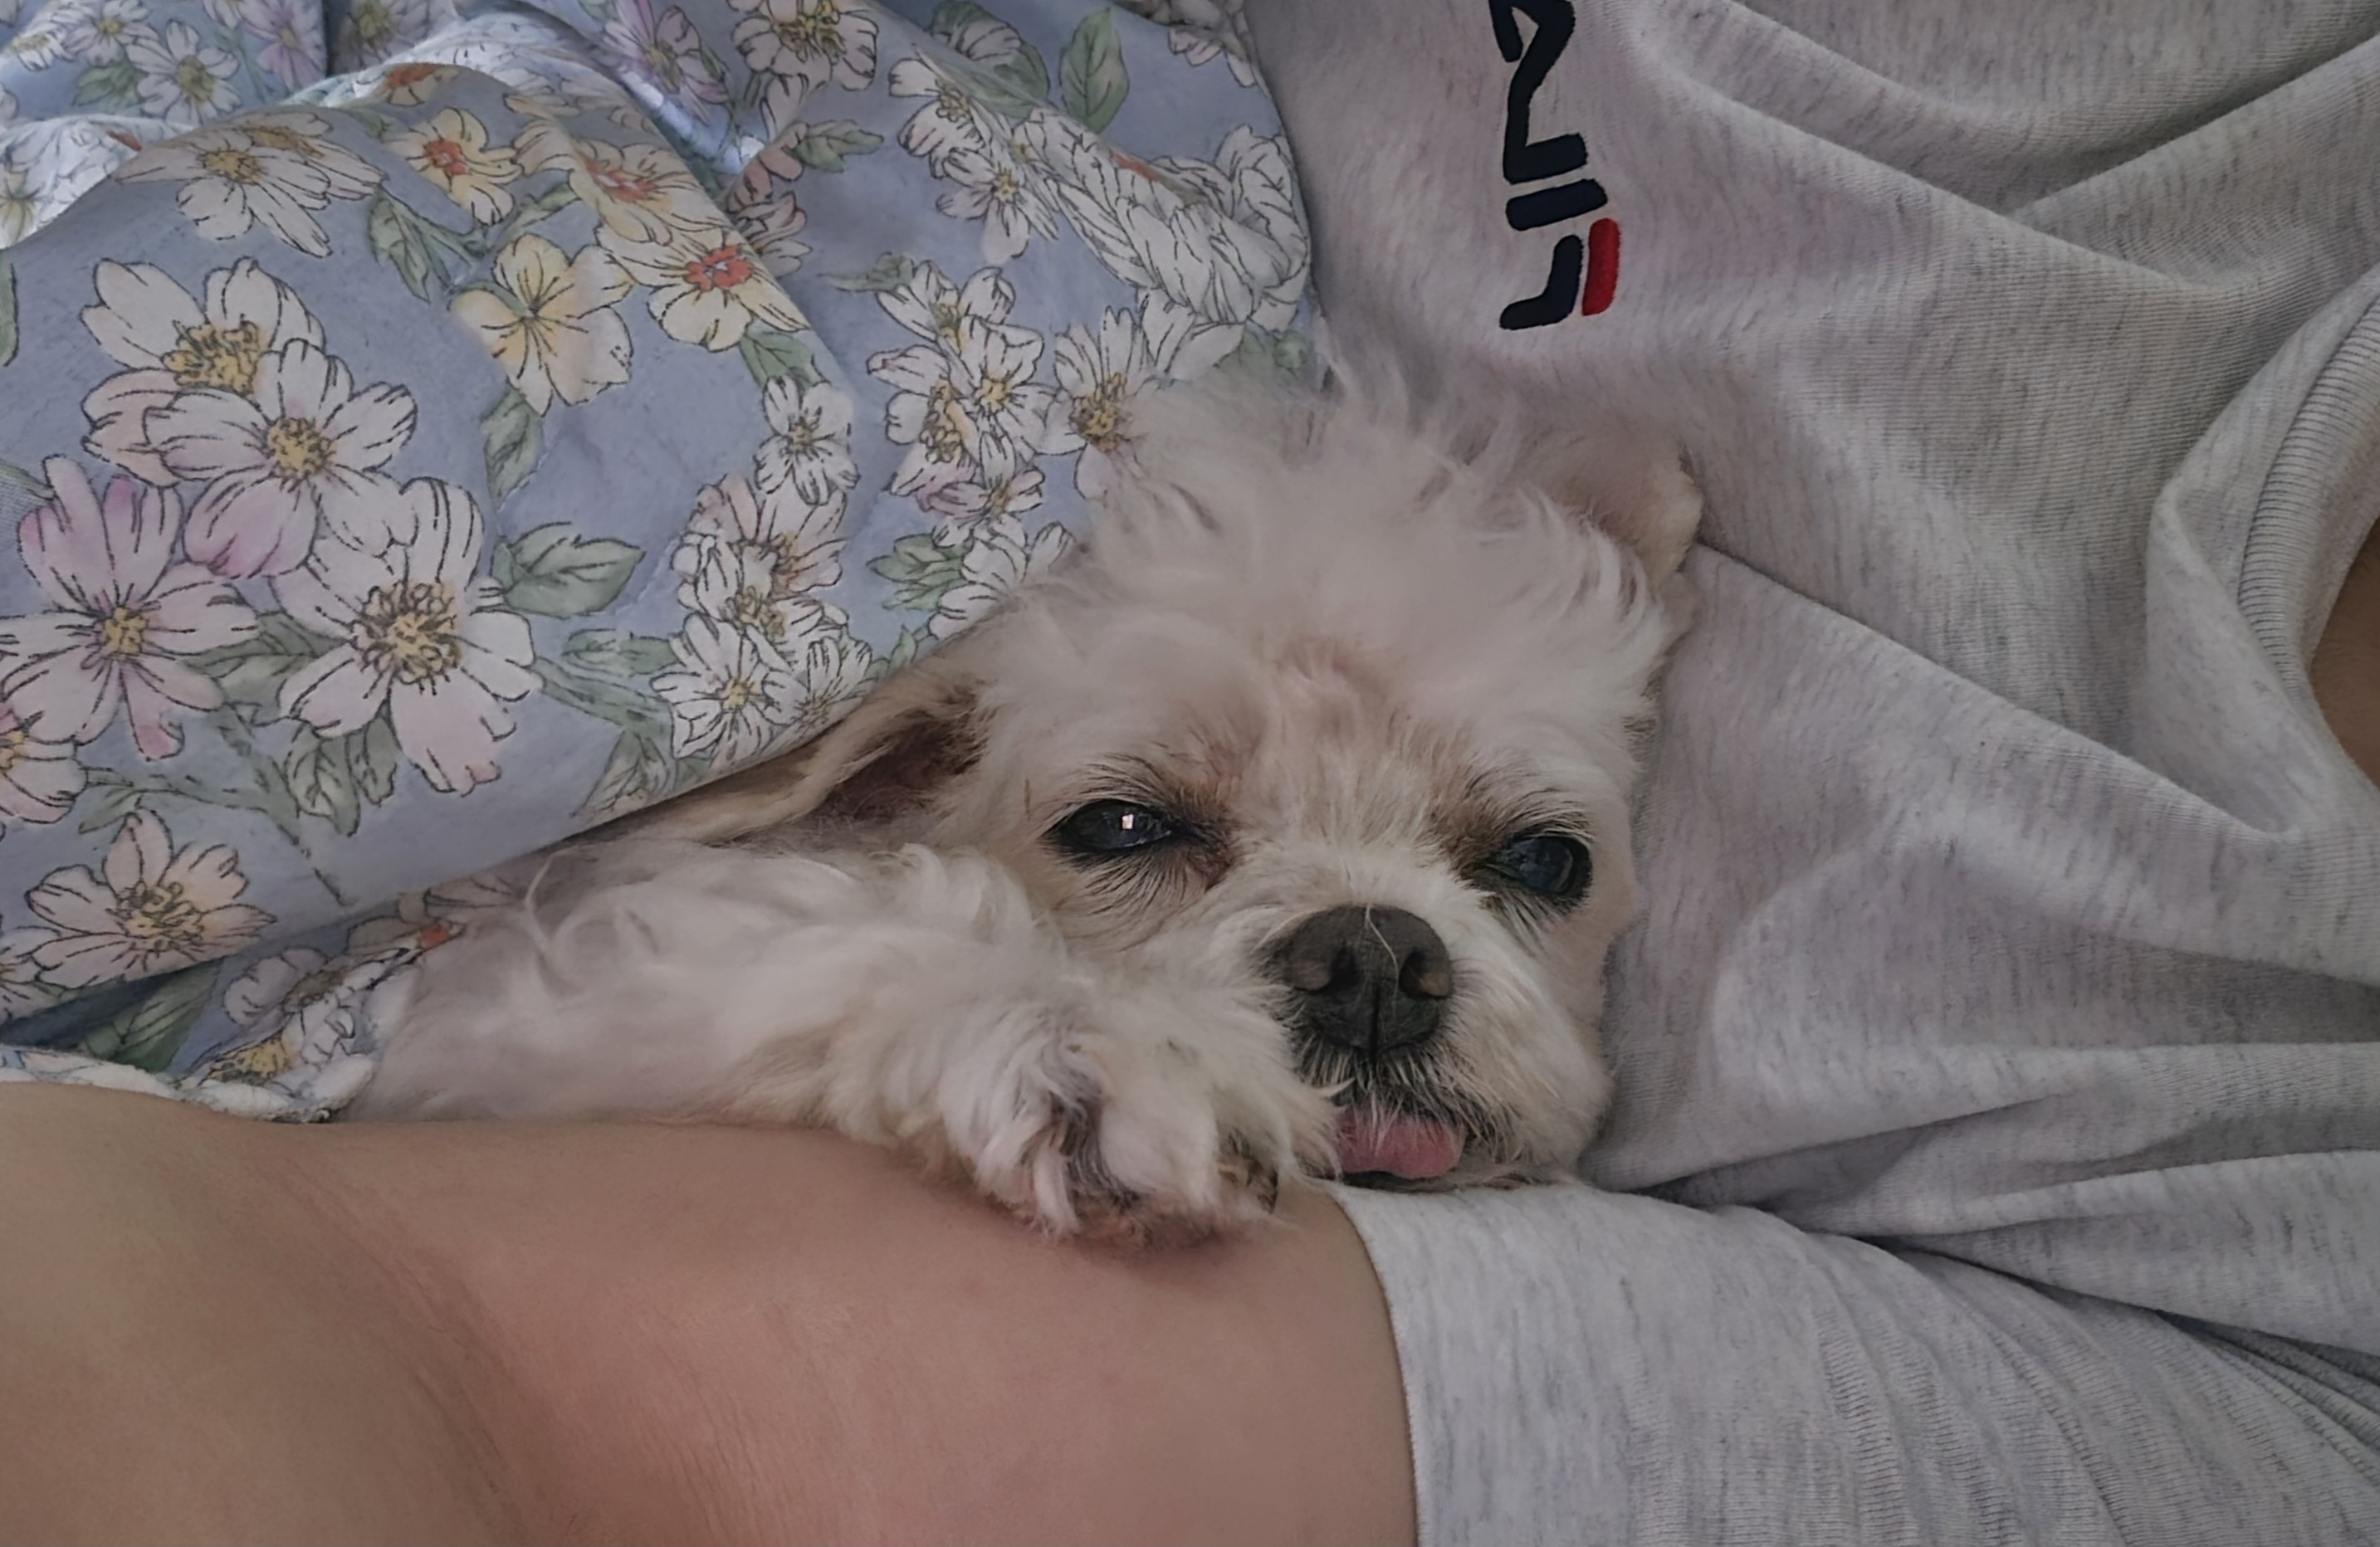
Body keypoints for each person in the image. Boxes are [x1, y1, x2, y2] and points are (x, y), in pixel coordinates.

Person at [4, 0, 2377, 1541]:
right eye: (1140, 832)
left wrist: (962, 1000)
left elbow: (377, 1312)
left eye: (1530, 865)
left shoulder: (2222, 1364)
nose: (1375, 958)